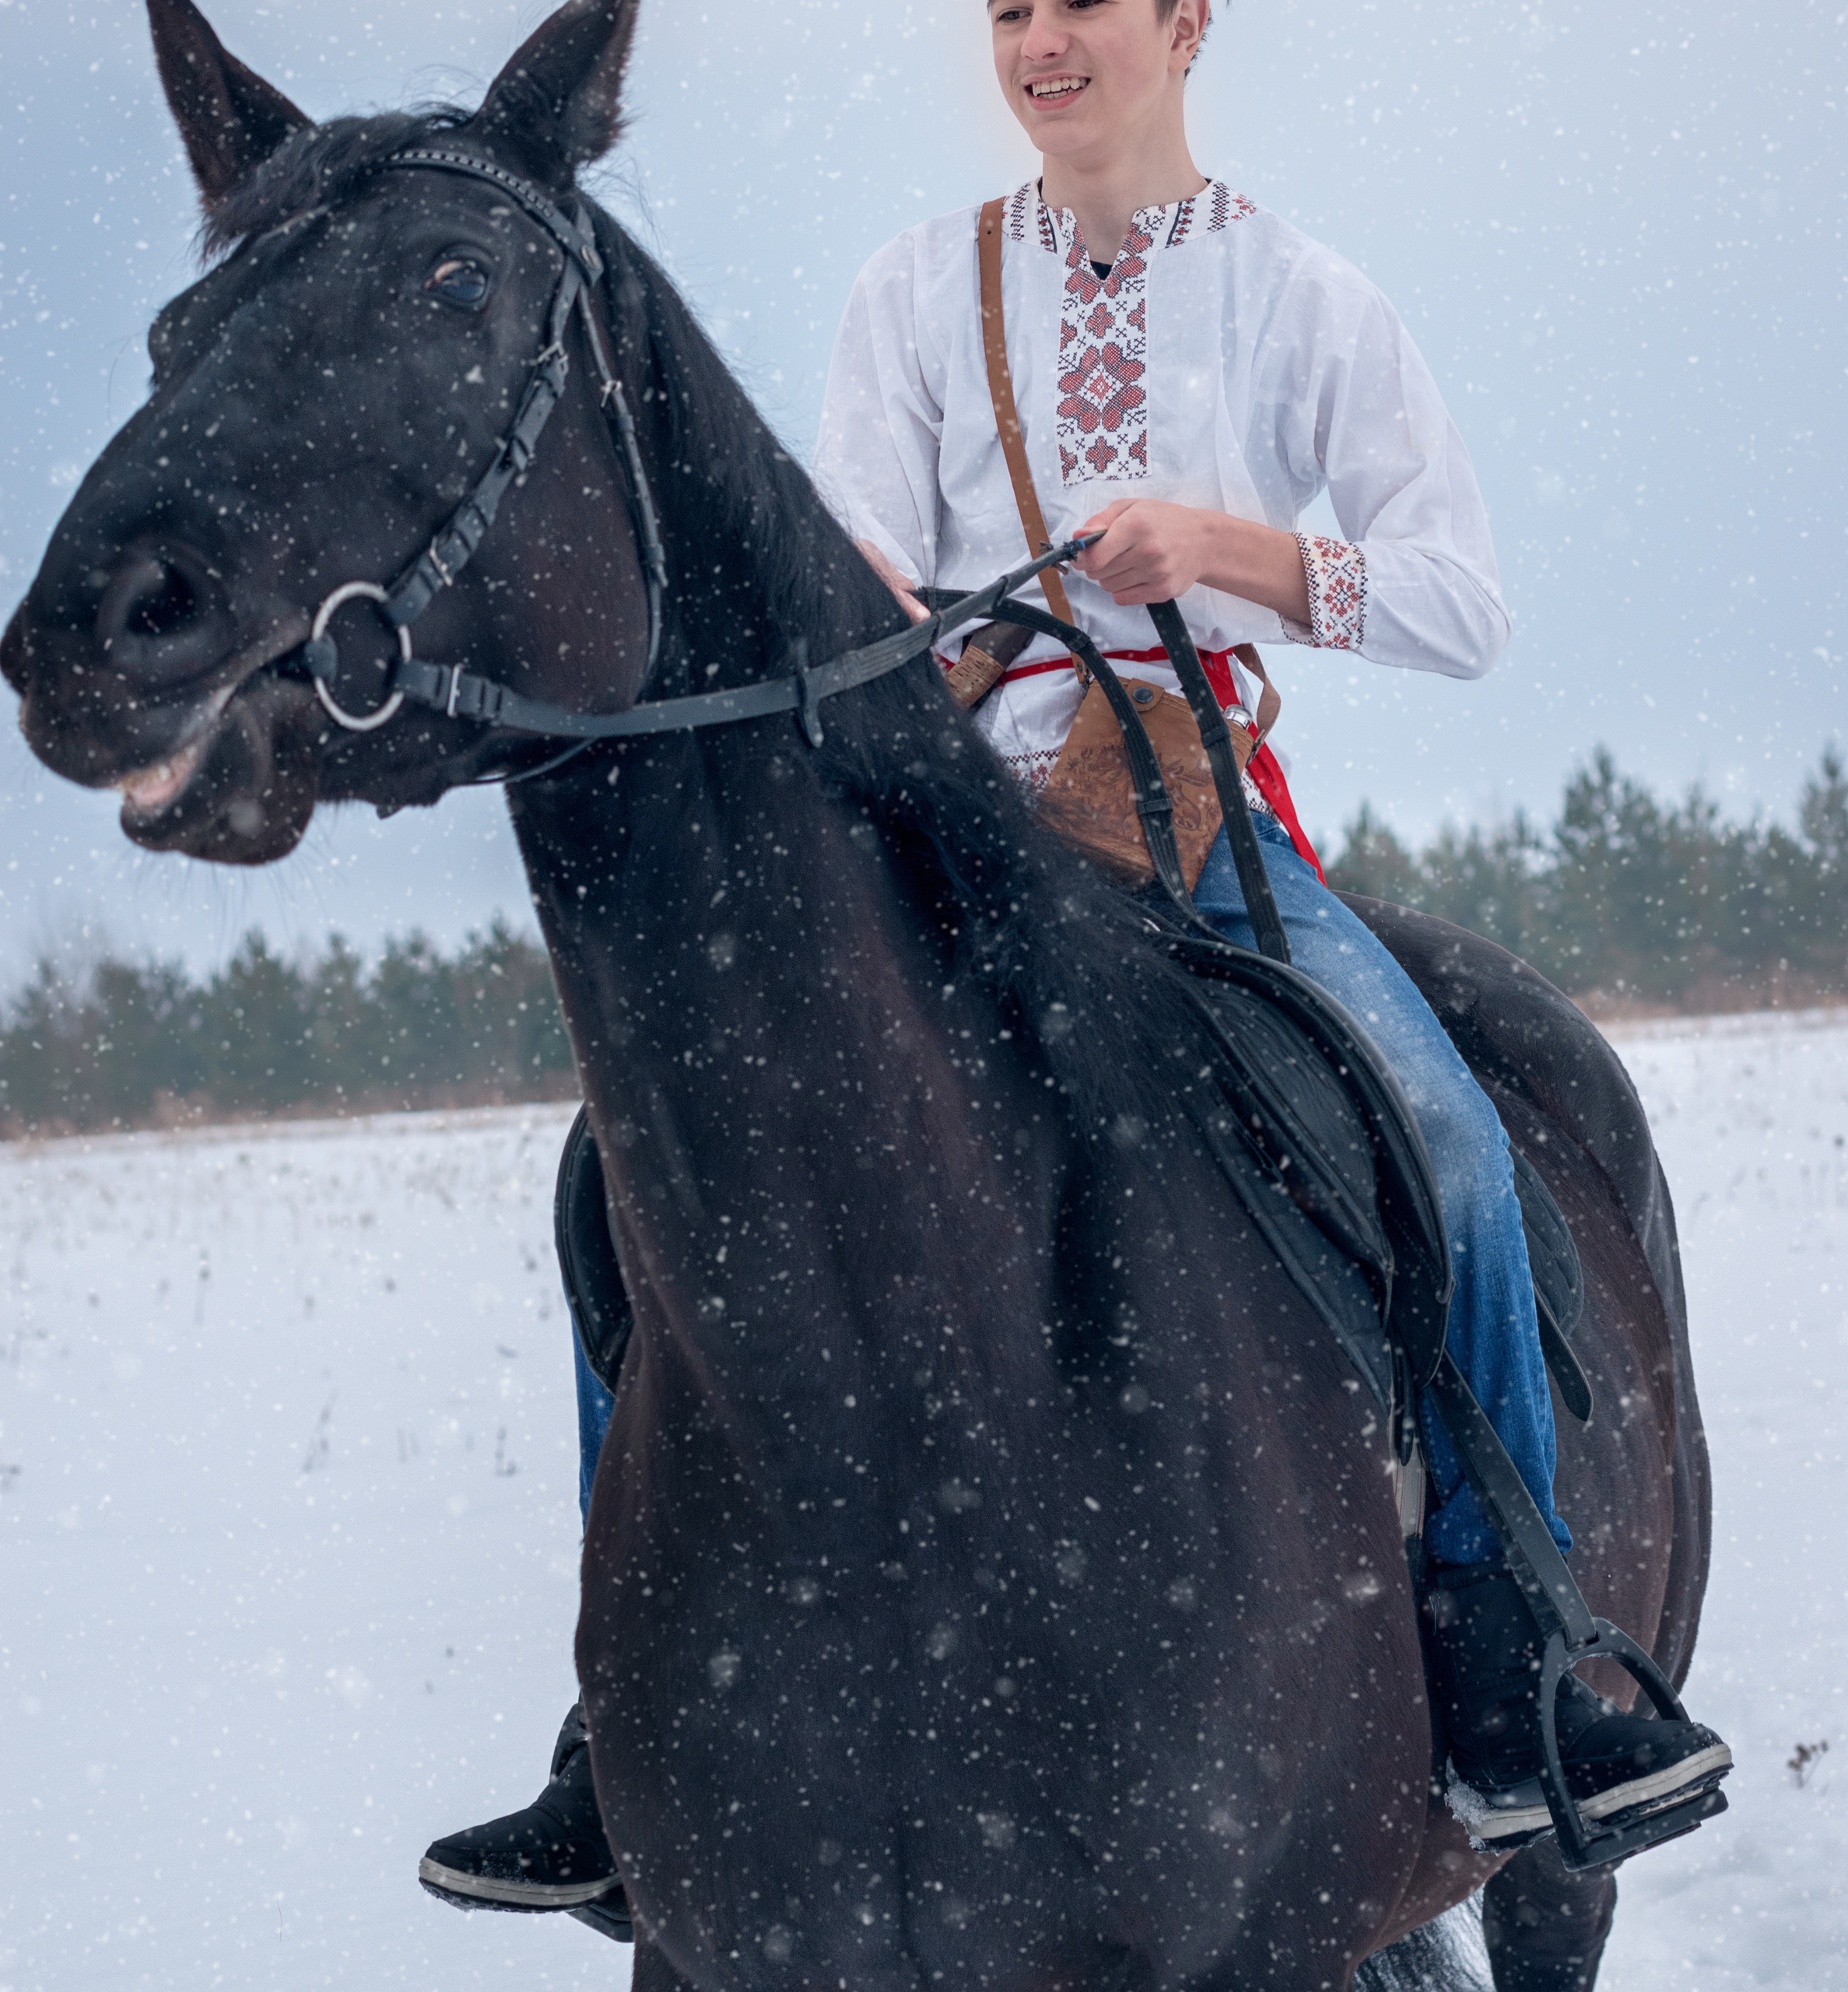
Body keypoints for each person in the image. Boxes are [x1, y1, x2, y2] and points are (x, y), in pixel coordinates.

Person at [419, 0, 1730, 1925]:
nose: (1041, 40)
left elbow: (1459, 598)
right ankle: (615, 1725)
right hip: (947, 841)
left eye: (1081, 1)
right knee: (616, 1179)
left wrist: (1225, 546)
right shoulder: (915, 287)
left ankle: (1513, 1634)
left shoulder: (1301, 300)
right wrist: (862, 590)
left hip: (1197, 826)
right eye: (1009, 8)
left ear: (1185, 21)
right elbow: (853, 544)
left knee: (1447, 1134)